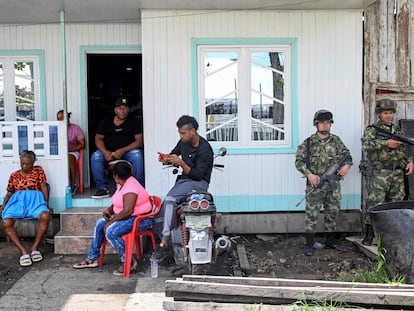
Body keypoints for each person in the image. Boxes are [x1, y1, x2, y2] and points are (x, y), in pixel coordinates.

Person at [73, 160, 152, 275]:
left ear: (115, 176)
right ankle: (92, 257)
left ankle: (128, 261)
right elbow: (118, 201)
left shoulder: (131, 187)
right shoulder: (122, 183)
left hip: (140, 220)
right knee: (100, 224)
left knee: (111, 231)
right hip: (129, 217)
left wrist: (112, 221)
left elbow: (128, 211)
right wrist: (110, 210)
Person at [152, 115, 214, 261]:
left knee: (170, 200)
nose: (181, 136)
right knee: (160, 213)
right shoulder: (183, 142)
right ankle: (169, 248)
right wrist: (166, 159)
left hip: (199, 184)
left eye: (183, 133)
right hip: (184, 181)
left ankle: (164, 241)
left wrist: (180, 163)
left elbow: (198, 175)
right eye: (179, 133)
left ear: (193, 131)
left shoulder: (205, 149)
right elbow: (174, 154)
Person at [295, 110, 352, 256]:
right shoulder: (308, 143)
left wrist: (346, 166)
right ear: (316, 124)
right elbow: (299, 162)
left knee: (332, 213)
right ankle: (309, 245)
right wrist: (309, 174)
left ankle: (330, 243)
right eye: (322, 123)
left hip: (333, 186)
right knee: (312, 214)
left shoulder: (336, 141)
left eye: (328, 123)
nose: (326, 125)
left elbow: (347, 156)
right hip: (316, 184)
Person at [361, 99, 414, 246]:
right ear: (379, 113)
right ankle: (369, 234)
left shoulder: (398, 131)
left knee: (395, 204)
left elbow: (404, 149)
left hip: (397, 173)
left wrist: (409, 161)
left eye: (391, 113)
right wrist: (386, 143)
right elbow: (366, 144)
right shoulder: (372, 129)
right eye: (385, 113)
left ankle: (392, 236)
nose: (389, 116)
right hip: (380, 173)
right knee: (375, 203)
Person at [0, 150, 53, 267]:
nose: (24, 166)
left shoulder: (38, 170)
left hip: (35, 201)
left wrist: (46, 204)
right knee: (6, 222)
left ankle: (35, 248)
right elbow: (9, 193)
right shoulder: (14, 175)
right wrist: (3, 206)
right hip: (18, 202)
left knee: (45, 216)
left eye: (28, 164)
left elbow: (44, 187)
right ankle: (23, 252)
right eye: (22, 163)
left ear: (33, 163)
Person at [90, 97, 144, 198]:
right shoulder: (106, 121)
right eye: (119, 108)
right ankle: (102, 188)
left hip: (128, 152)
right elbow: (98, 138)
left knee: (137, 155)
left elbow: (139, 141)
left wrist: (122, 150)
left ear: (129, 109)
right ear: (115, 109)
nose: (122, 111)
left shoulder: (135, 121)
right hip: (109, 153)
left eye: (125, 108)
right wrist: (105, 152)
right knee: (96, 156)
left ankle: (137, 187)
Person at [57, 110, 85, 195]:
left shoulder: (76, 128)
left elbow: (82, 144)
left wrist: (69, 150)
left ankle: (73, 184)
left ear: (68, 119)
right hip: (59, 152)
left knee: (69, 159)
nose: (61, 121)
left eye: (63, 118)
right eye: (59, 119)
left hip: (72, 151)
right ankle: (60, 184)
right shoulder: (55, 128)